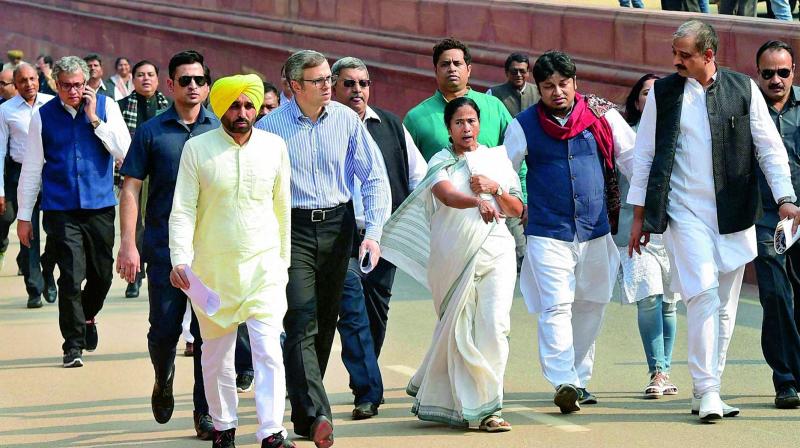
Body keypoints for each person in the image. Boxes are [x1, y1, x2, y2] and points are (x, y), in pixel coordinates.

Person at [628, 20, 799, 421]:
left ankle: (711, 388)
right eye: (675, 54)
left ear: (708, 55)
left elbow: (769, 149)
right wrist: (639, 216)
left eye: (684, 55)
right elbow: (645, 156)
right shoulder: (665, 94)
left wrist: (786, 198)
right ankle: (706, 391)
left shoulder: (743, 89)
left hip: (735, 214)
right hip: (684, 214)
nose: (676, 61)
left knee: (724, 305)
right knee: (702, 294)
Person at [255, 49, 391, 448]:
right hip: (291, 230)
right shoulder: (271, 128)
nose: (328, 87)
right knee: (300, 319)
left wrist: (373, 232)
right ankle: (318, 413)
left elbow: (374, 178)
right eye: (318, 81)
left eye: (328, 80)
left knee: (325, 321)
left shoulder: (348, 121)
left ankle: (302, 412)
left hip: (338, 227)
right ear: (295, 86)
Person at [504, 50, 636, 413]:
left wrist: (647, 211)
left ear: (575, 83)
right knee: (556, 306)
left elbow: (633, 162)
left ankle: (579, 379)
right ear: (538, 87)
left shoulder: (601, 115)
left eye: (563, 84)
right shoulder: (524, 124)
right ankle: (563, 380)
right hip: (548, 232)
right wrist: (511, 202)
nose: (557, 92)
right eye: (548, 86)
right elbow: (505, 171)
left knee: (591, 304)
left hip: (596, 230)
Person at [382, 96, 523, 431]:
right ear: (448, 128)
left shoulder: (497, 159)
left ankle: (490, 407)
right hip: (454, 258)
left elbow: (516, 208)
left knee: (494, 326)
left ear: (480, 124)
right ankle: (461, 401)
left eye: (471, 121)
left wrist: (494, 188)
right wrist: (476, 200)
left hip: (498, 251)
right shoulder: (440, 161)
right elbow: (445, 194)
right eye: (459, 122)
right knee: (459, 329)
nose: (466, 128)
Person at [169, 73, 294, 448]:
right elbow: (183, 211)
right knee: (216, 355)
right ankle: (224, 426)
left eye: (249, 105)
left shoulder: (275, 147)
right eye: (235, 105)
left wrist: (282, 264)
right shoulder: (198, 149)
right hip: (213, 270)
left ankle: (271, 431)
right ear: (221, 107)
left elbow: (282, 210)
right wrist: (180, 259)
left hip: (264, 267)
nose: (243, 113)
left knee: (269, 350)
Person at [116, 50, 216, 439]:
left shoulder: (220, 131)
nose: (193, 86)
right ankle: (163, 376)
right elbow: (130, 189)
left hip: (211, 250)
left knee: (210, 332)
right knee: (164, 330)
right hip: (163, 249)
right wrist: (128, 243)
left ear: (207, 86)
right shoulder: (152, 131)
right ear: (171, 85)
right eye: (185, 80)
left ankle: (204, 411)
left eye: (199, 80)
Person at [16, 56, 130, 367]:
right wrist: (24, 216)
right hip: (60, 209)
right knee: (70, 276)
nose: (74, 91)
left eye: (79, 85)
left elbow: (126, 153)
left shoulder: (107, 107)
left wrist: (95, 120)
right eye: (66, 86)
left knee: (102, 276)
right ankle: (73, 345)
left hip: (100, 207)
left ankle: (87, 315)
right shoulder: (43, 116)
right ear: (56, 84)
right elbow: (31, 169)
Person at [330, 56, 427, 419]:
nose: (357, 90)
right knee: (351, 309)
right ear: (334, 87)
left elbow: (417, 176)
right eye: (349, 84)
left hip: (386, 233)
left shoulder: (390, 124)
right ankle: (367, 391)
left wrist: (411, 222)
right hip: (341, 234)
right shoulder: (324, 127)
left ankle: (365, 377)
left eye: (363, 83)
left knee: (376, 310)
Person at [616, 73, 680, 399]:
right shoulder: (626, 137)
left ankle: (664, 370)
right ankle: (657, 370)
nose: (652, 98)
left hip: (675, 231)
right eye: (645, 93)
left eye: (658, 93)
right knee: (648, 298)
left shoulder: (681, 136)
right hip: (636, 231)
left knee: (668, 304)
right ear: (637, 101)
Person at [752, 40, 800, 409]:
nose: (776, 80)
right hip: (766, 220)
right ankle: (785, 380)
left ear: (793, 72)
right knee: (775, 296)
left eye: (782, 72)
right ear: (759, 75)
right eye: (768, 73)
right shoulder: (749, 110)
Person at [0, 63, 57, 309]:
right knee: (28, 232)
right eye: (22, 80)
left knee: (57, 231)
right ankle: (34, 288)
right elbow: (0, 150)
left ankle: (49, 274)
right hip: (20, 175)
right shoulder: (5, 110)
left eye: (32, 79)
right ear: (15, 83)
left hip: (51, 174)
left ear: (38, 79)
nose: (29, 84)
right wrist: (1, 190)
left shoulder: (52, 103)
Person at [118, 59, 172, 299]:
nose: (146, 79)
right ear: (133, 79)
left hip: (161, 176)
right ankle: (135, 276)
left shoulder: (169, 108)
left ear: (158, 79)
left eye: (150, 74)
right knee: (137, 226)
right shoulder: (120, 108)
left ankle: (155, 269)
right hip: (135, 173)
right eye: (141, 75)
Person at [487, 53, 540, 118]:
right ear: (506, 72)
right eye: (514, 71)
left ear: (528, 72)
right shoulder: (493, 94)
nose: (518, 74)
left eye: (522, 71)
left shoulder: (538, 92)